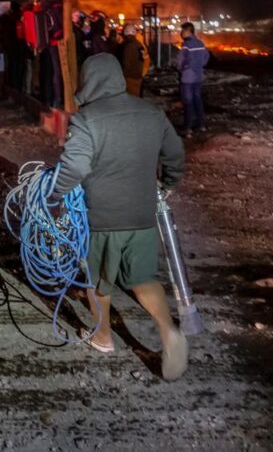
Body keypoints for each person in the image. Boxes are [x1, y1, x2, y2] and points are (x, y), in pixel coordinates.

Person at [53, 53, 188, 380]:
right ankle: (169, 331)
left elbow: (75, 166)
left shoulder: (87, 119)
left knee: (98, 280)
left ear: (90, 80)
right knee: (142, 278)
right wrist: (167, 183)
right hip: (142, 215)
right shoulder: (151, 113)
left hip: (103, 217)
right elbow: (175, 153)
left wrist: (53, 196)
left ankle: (103, 337)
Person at [177, 22, 209, 137]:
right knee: (198, 100)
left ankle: (188, 128)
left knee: (188, 102)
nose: (181, 33)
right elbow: (206, 58)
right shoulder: (201, 43)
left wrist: (183, 70)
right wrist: (198, 67)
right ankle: (201, 125)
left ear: (187, 31)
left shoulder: (186, 45)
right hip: (199, 77)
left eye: (182, 31)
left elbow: (180, 61)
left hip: (188, 78)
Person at [117, 24, 147, 97]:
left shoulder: (129, 46)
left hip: (130, 78)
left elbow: (126, 64)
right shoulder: (139, 44)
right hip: (138, 76)